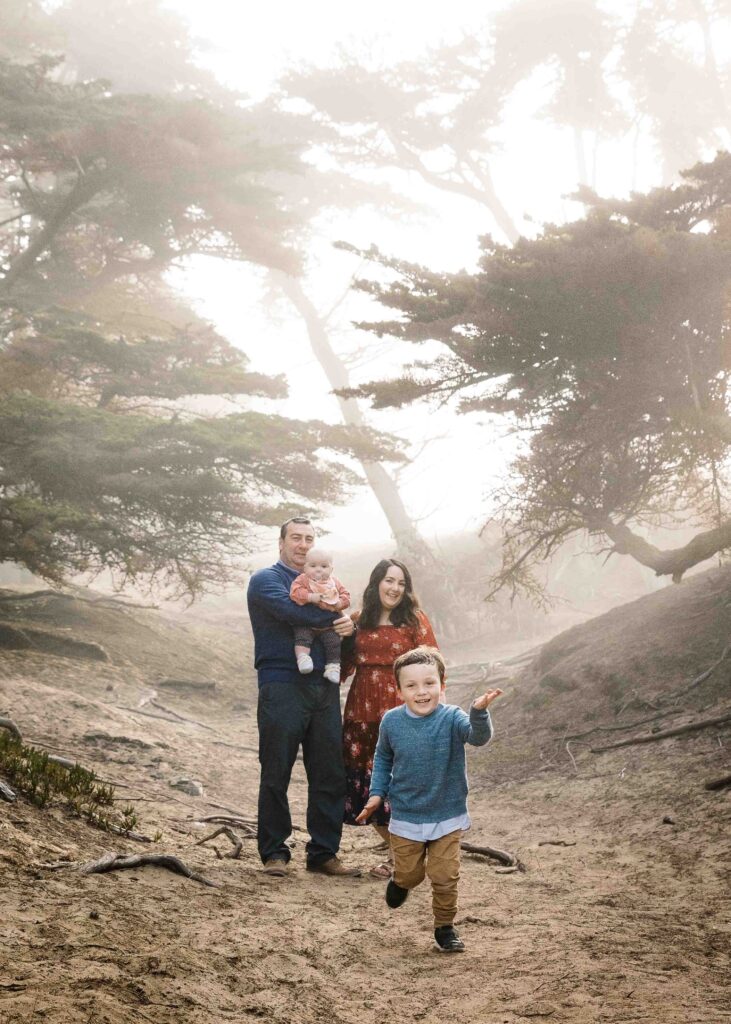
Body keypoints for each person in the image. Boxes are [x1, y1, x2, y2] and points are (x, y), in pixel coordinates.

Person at [356, 646, 503, 953]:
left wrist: (479, 712)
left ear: (442, 685)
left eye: (429, 683)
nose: (421, 692)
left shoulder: (452, 717)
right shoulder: (392, 722)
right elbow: (383, 758)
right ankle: (401, 882)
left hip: (447, 813)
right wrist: (376, 794)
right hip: (407, 815)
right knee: (412, 873)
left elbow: (478, 738)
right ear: (399, 690)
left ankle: (445, 927)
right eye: (411, 685)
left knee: (445, 875)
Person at [247, 516, 360, 878]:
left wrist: (349, 626)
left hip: (324, 686)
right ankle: (275, 853)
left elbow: (340, 622)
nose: (303, 544)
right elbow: (291, 610)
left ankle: (323, 853)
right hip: (281, 683)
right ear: (281, 543)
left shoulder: (327, 581)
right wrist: (338, 617)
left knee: (330, 771)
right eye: (295, 538)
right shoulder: (266, 580)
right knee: (276, 768)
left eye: (309, 539)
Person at [340, 558, 439, 878]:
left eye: (401, 583)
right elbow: (343, 668)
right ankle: (403, 857)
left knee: (404, 787)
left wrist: (434, 710)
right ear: (375, 583)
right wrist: (339, 637)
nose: (395, 588)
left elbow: (434, 666)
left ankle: (411, 855)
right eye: (389, 581)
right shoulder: (358, 620)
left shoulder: (414, 620)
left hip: (402, 714)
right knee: (368, 792)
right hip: (362, 715)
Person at [289, 547, 350, 684]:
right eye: (313, 565)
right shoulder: (303, 580)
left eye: (324, 566)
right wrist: (310, 597)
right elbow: (295, 593)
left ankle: (333, 667)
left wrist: (340, 603)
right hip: (307, 622)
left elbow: (346, 596)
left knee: (333, 642)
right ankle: (303, 658)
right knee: (302, 637)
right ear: (305, 568)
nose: (318, 569)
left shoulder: (334, 582)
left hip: (327, 625)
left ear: (331, 569)